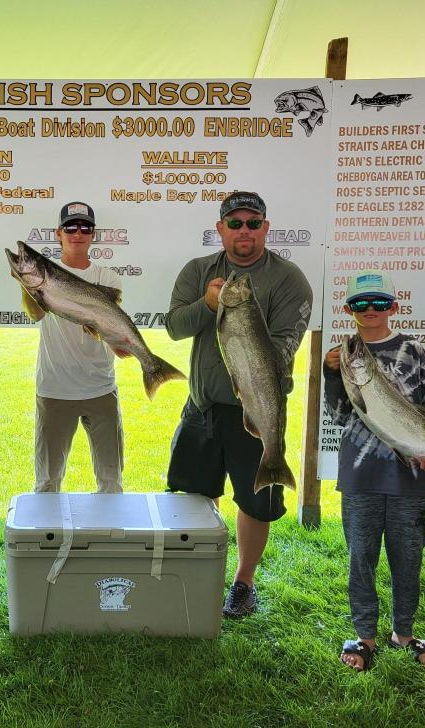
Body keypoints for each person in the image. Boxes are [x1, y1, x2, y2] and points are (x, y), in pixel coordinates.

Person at [165, 191, 313, 618]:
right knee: (193, 494)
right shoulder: (198, 271)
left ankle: (242, 583)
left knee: (254, 502)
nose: (244, 231)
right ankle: (194, 573)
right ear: (221, 229)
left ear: (266, 228)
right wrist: (209, 305)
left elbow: (286, 347)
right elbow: (174, 327)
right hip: (203, 405)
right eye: (235, 223)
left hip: (259, 409)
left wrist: (244, 319)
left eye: (253, 223)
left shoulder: (289, 279)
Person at [324, 269, 425, 671]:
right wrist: (329, 374)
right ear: (349, 310)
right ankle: (365, 636)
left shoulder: (413, 350)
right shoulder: (342, 355)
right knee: (362, 557)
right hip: (360, 478)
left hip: (411, 478)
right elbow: (340, 414)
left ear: (393, 306)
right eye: (360, 303)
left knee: (408, 558)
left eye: (378, 302)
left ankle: (404, 632)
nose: (370, 309)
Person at [20, 202, 124, 494]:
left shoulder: (107, 278)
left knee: (111, 481)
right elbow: (37, 314)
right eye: (70, 227)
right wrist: (28, 287)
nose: (77, 233)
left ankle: (110, 536)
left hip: (101, 388)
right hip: (54, 390)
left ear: (92, 235)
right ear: (58, 233)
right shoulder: (45, 273)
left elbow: (108, 324)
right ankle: (47, 539)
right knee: (47, 482)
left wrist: (120, 341)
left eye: (85, 227)